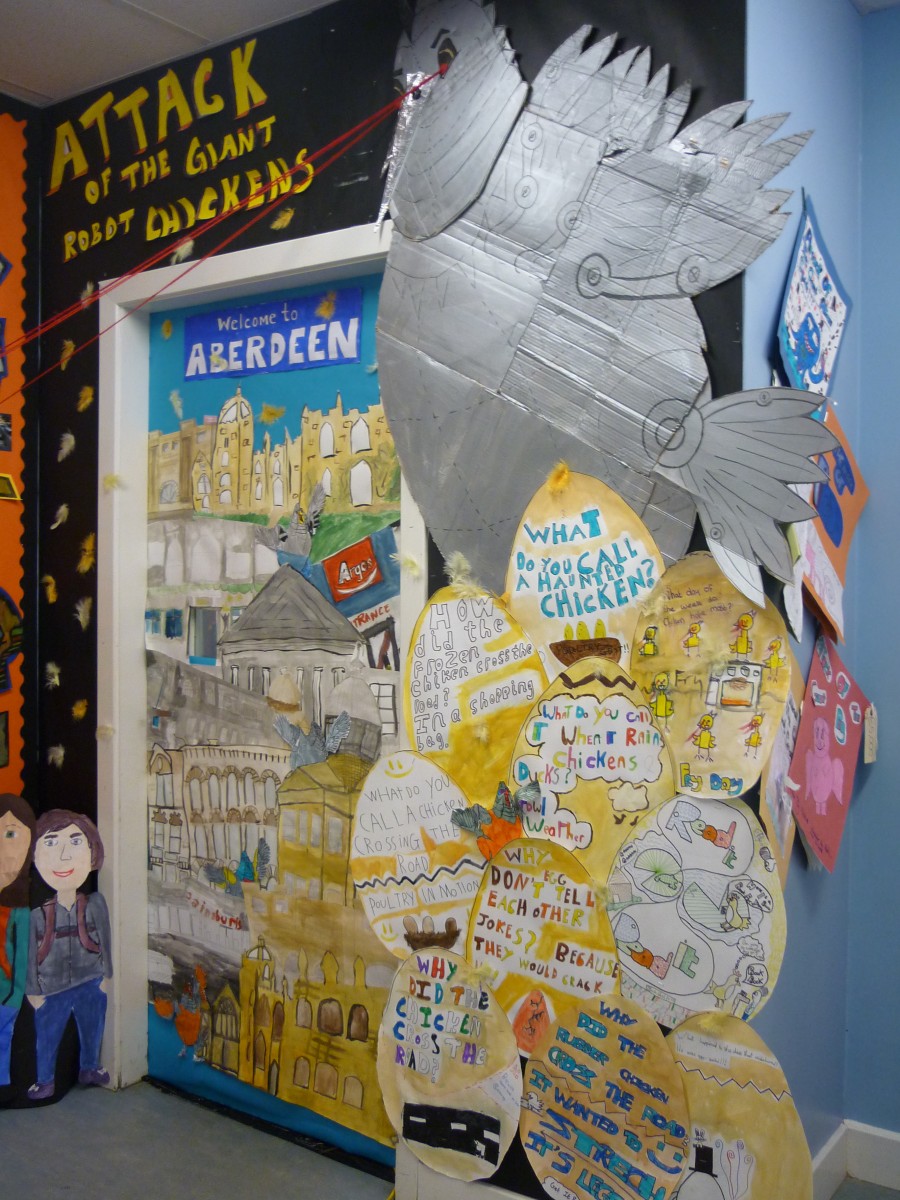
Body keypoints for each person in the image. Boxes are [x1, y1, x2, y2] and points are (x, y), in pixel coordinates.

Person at [25, 810, 111, 1100]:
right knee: (48, 1034)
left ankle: (90, 1066)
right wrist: (33, 991)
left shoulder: (95, 904)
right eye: (50, 844)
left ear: (92, 852)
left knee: (92, 1024)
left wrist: (106, 976)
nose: (64, 856)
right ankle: (45, 1080)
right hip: (52, 987)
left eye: (75, 842)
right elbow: (30, 957)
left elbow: (105, 940)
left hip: (90, 980)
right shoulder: (38, 916)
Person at [0, 794, 36, 1089]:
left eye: (11, 834)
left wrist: (11, 1001)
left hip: (5, 998)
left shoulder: (19, 912)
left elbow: (21, 959)